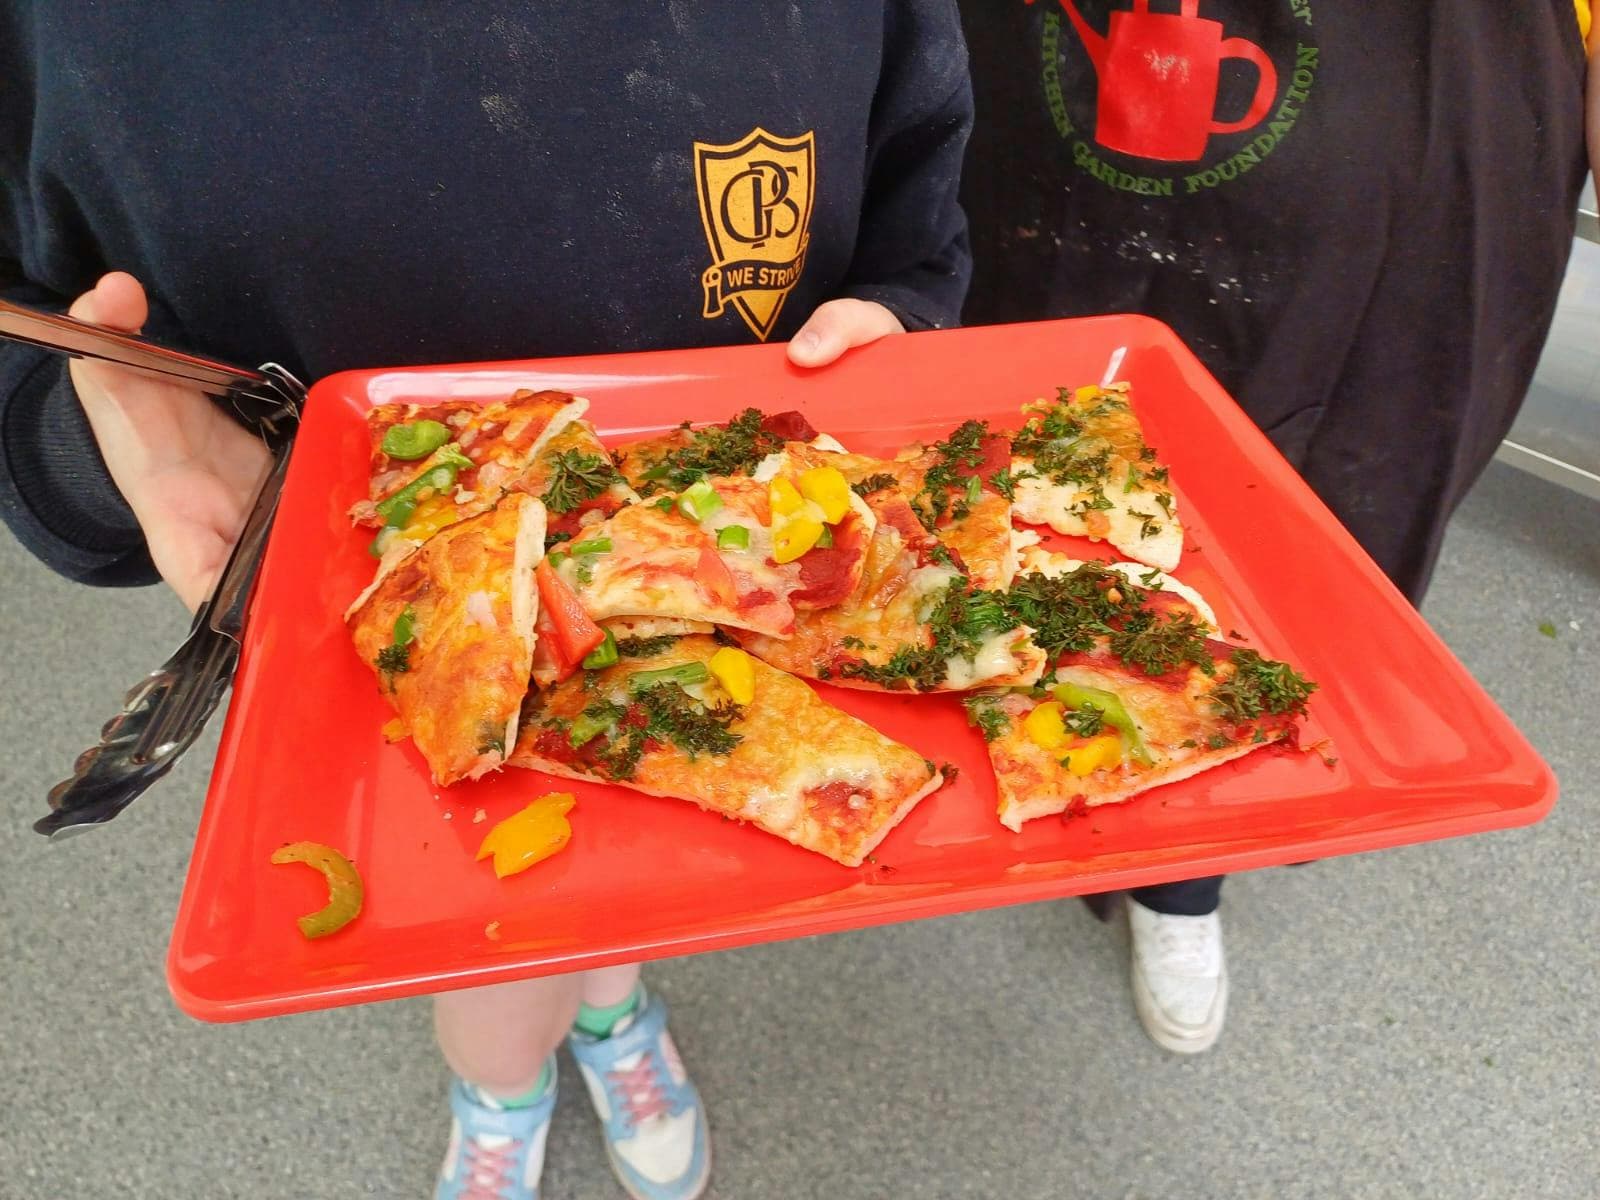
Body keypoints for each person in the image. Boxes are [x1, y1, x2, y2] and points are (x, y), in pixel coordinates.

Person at [0, 6, 973, 1198]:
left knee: (647, 833)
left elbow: (917, 189)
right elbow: (29, 320)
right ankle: (501, 1086)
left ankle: (614, 1009)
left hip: (740, 576)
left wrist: (906, 319)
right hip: (353, 586)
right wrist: (86, 444)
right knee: (485, 914)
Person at [957, 0, 1590, 1053]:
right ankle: (991, 781)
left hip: (1403, 222)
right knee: (990, 515)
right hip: (1026, 153)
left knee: (1290, 595)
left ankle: (1183, 880)